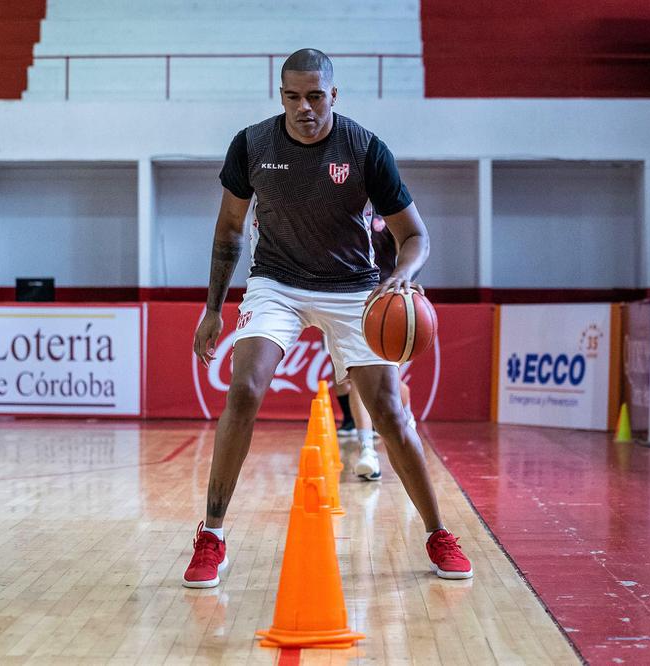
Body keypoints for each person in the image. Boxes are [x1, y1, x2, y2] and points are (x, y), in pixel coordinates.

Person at [185, 48, 473, 587]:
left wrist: (402, 275)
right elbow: (228, 232)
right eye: (292, 97)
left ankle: (438, 533)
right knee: (244, 388)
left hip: (355, 289)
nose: (304, 108)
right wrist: (211, 311)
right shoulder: (251, 144)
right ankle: (212, 536)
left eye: (315, 96)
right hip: (276, 281)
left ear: (333, 95)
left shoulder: (365, 149)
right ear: (281, 96)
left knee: (388, 412)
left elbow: (415, 236)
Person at [351, 209, 417, 482]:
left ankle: (407, 417)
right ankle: (367, 450)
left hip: (388, 301)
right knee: (354, 378)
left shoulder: (387, 206)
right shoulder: (339, 199)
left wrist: (407, 280)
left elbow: (408, 242)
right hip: (351, 298)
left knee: (389, 381)